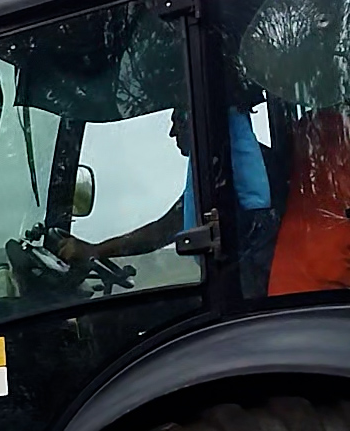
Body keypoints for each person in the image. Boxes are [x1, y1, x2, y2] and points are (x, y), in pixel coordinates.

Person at [57, 106, 280, 297]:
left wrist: (95, 250)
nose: (172, 132)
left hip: (250, 291)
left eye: (178, 122)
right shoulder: (222, 165)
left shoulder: (228, 171)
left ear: (197, 122)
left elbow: (161, 231)